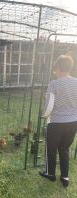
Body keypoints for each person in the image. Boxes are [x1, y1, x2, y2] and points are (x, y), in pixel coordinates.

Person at [39, 55, 77, 187]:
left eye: (55, 68)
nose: (54, 71)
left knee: (51, 149)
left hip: (56, 123)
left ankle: (50, 174)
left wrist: (44, 115)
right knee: (64, 149)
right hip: (73, 123)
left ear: (59, 68)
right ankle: (65, 177)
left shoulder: (54, 84)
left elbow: (49, 105)